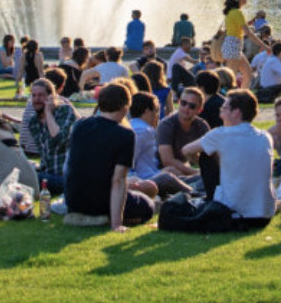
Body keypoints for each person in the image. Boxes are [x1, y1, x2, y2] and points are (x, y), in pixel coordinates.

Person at [168, 90, 275, 231]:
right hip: (264, 214)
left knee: (207, 156)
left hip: (231, 213)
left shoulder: (220, 134)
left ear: (236, 112)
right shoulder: (265, 136)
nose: (221, 110)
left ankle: (209, 197)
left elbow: (186, 150)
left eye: (224, 108)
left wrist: (200, 161)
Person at [63, 83, 153, 231]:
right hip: (101, 201)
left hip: (74, 201)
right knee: (147, 205)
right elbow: (118, 180)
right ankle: (113, 217)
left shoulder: (80, 126)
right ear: (126, 106)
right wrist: (117, 224)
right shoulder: (125, 135)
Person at [25, 77, 77, 194]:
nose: (36, 99)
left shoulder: (65, 111)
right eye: (34, 95)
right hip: (47, 175)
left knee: (26, 178)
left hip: (65, 177)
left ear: (51, 97)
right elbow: (45, 154)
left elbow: (59, 138)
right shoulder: (33, 122)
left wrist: (48, 112)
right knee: (18, 171)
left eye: (41, 95)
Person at [156, 86, 209, 181]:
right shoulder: (166, 125)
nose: (186, 108)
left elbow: (211, 153)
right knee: (171, 171)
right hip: (159, 170)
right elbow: (167, 160)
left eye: (192, 106)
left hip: (182, 168)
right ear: (179, 102)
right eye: (183, 103)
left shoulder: (201, 126)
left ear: (199, 110)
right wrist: (196, 173)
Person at [219, 0, 262, 89]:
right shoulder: (237, 12)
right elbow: (249, 33)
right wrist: (264, 46)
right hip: (233, 47)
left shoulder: (232, 12)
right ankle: (230, 101)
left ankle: (242, 97)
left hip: (234, 47)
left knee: (248, 73)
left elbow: (237, 29)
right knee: (230, 80)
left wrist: (247, 24)